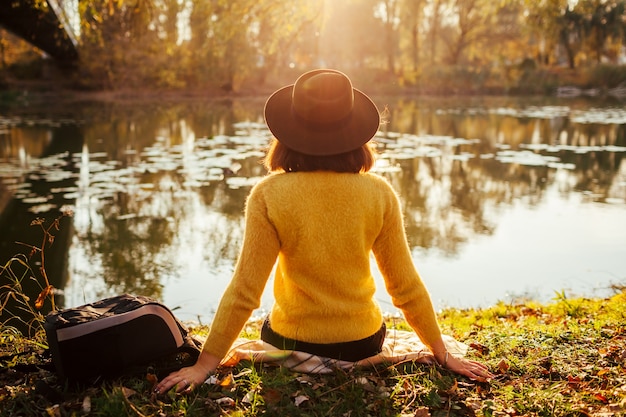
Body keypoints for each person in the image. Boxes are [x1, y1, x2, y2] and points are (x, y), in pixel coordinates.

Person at [155, 69, 493, 394]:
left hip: (291, 341)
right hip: (363, 342)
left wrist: (204, 365)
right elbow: (405, 286)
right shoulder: (379, 193)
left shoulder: (268, 194)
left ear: (287, 134)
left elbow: (245, 290)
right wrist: (441, 352)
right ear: (355, 134)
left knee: (270, 321)